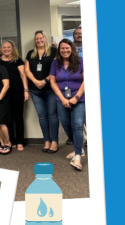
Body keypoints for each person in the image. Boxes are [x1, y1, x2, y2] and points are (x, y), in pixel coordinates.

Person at [50, 39, 85, 171]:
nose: (65, 50)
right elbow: (53, 82)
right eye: (62, 48)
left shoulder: (80, 61)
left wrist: (76, 97)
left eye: (67, 48)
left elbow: (85, 80)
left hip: (79, 99)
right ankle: (79, 147)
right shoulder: (55, 63)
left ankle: (77, 156)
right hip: (61, 99)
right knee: (65, 124)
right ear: (59, 50)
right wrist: (62, 99)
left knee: (77, 124)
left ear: (72, 49)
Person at [25, 31, 59, 153]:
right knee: (42, 117)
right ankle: (47, 141)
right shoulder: (31, 53)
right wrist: (35, 81)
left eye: (41, 38)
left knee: (52, 115)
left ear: (45, 38)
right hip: (35, 91)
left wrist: (45, 80)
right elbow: (27, 70)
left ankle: (54, 141)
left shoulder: (54, 51)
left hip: (50, 89)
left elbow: (56, 68)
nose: (39, 40)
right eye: (37, 39)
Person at [0, 40, 28, 151]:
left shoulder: (17, 60)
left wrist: (26, 90)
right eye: (4, 47)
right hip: (4, 93)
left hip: (17, 91)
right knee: (8, 118)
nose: (6, 49)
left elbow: (23, 75)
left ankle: (20, 141)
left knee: (18, 117)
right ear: (1, 49)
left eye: (8, 47)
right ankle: (11, 140)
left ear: (12, 48)